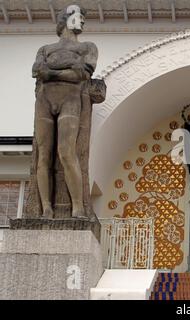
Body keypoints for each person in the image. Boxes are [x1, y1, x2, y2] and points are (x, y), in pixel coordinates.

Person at [32, 5, 98, 218]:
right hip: (45, 99)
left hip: (70, 99)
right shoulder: (45, 48)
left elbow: (81, 74)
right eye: (78, 17)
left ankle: (77, 205)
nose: (82, 22)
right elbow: (37, 70)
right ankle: (46, 207)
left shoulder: (88, 46)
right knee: (43, 155)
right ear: (66, 20)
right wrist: (70, 65)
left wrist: (52, 71)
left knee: (66, 152)